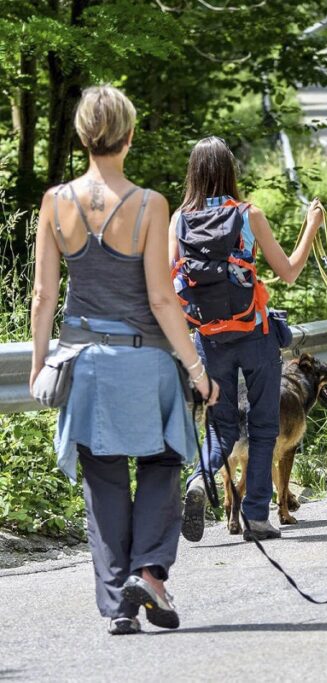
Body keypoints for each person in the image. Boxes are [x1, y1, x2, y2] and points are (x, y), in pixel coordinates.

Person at [29, 86, 218, 635]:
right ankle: (151, 572)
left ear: (84, 136)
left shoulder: (55, 203)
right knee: (162, 463)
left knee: (103, 480)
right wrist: (199, 371)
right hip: (147, 364)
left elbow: (44, 296)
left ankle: (118, 606)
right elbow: (162, 299)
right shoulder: (150, 204)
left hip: (85, 365)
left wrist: (41, 367)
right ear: (129, 137)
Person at [178, 136, 324, 543]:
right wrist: (311, 226)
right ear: (229, 171)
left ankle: (198, 479)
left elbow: (170, 282)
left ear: (193, 173)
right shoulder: (248, 214)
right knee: (262, 427)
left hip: (208, 337)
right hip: (254, 334)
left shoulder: (180, 221)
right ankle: (256, 518)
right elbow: (289, 271)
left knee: (222, 429)